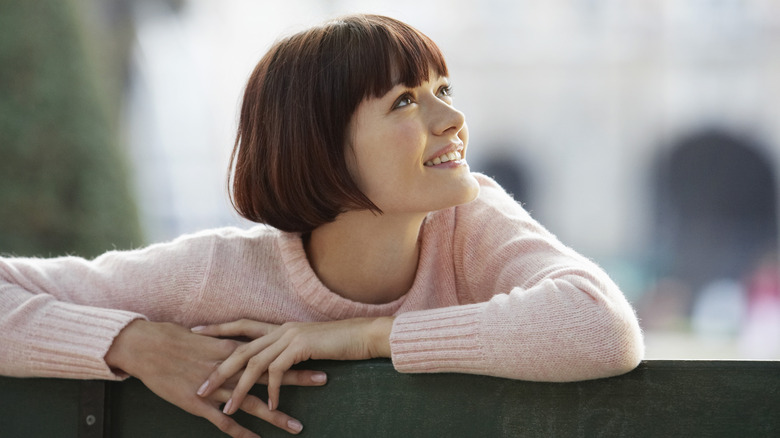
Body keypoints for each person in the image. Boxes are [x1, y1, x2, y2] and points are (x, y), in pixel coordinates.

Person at [0, 14, 644, 438]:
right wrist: (135, 343)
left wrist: (364, 337)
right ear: (321, 149)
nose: (452, 120)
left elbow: (601, 328)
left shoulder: (469, 222)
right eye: (404, 102)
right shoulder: (215, 272)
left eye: (442, 89)